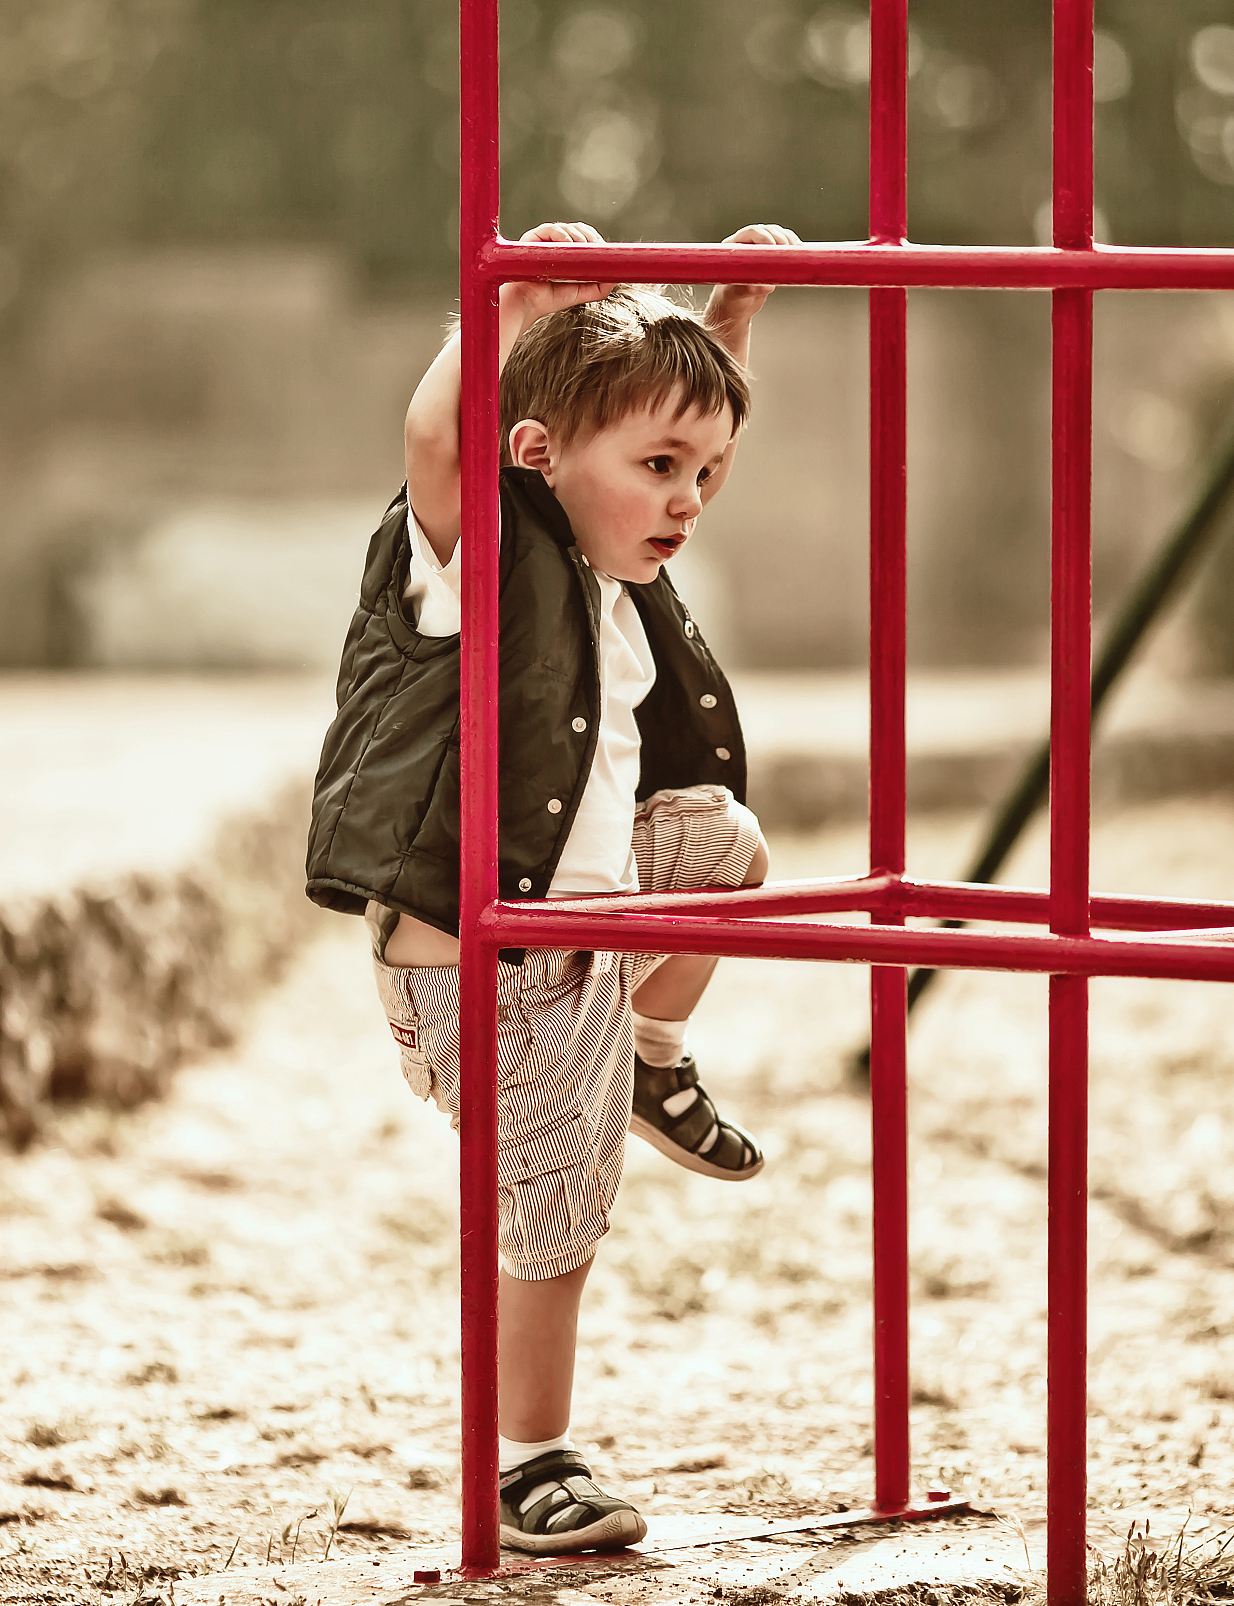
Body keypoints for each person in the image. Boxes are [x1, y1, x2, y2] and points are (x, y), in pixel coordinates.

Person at [307, 219, 800, 1554]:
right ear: (533, 454)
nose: (690, 500)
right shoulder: (475, 562)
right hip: (488, 965)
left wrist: (724, 319)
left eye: (706, 471)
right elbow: (434, 438)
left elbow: (662, 435)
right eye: (661, 470)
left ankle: (652, 1061)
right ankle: (524, 1460)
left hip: (587, 929)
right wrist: (507, 306)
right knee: (558, 1216)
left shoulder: (610, 564)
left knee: (725, 846)